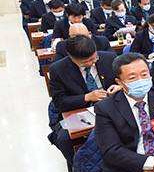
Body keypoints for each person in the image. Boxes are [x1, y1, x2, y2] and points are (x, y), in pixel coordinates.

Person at [48, 35, 117, 164]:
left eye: (94, 59)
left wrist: (119, 87)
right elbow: (59, 102)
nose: (91, 64)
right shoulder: (58, 69)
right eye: (85, 62)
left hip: (111, 106)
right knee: (64, 138)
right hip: (80, 111)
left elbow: (124, 80)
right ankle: (79, 167)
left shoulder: (109, 58)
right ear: (71, 58)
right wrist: (87, 97)